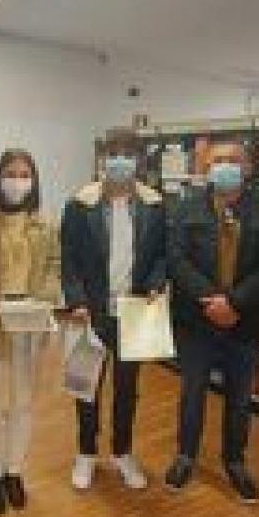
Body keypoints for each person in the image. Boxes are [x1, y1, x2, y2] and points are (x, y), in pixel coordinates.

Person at [164, 140, 259, 504]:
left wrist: (233, 303)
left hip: (243, 323)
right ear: (205, 167)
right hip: (195, 321)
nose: (226, 166)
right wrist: (210, 301)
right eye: (218, 161)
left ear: (247, 167)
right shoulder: (186, 208)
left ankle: (234, 461)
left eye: (234, 160)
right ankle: (185, 456)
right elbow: (176, 260)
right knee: (192, 393)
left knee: (239, 399)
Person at [61, 140, 166, 491]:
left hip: (135, 310)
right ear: (102, 161)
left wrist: (155, 283)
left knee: (127, 388)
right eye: (113, 155)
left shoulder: (155, 204)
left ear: (139, 161)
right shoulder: (80, 204)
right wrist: (75, 299)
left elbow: (162, 255)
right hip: (89, 311)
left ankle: (122, 452)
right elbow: (68, 257)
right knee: (85, 385)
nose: (120, 161)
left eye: (128, 155)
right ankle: (86, 452)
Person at [0, 149, 60, 514]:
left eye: (24, 174)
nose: (17, 181)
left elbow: (54, 266)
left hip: (29, 322)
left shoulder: (46, 224)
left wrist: (45, 295)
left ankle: (15, 471)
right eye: (10, 173)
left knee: (21, 403)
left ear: (33, 181)